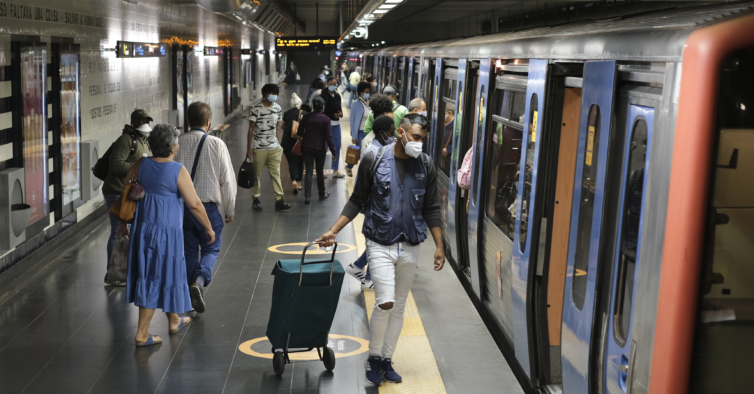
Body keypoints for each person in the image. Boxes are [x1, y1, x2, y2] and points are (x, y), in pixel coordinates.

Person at [317, 114, 445, 386]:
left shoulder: (426, 165)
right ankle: (373, 357)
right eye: (416, 137)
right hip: (379, 242)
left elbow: (432, 207)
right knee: (385, 301)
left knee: (398, 306)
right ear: (401, 132)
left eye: (423, 139)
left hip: (410, 244)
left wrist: (439, 246)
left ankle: (387, 359)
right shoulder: (373, 159)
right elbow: (357, 200)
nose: (419, 143)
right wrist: (333, 230)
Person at [121, 124, 215, 346]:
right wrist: (208, 227)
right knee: (154, 276)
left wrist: (122, 223)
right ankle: (142, 334)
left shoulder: (140, 164)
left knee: (163, 273)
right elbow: (194, 204)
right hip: (165, 234)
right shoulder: (177, 170)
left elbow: (126, 188)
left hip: (143, 229)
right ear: (172, 147)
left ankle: (174, 320)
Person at [175, 102, 236, 314]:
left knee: (189, 251)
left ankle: (189, 297)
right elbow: (227, 180)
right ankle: (198, 283)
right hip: (208, 208)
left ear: (188, 122)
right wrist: (229, 208)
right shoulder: (216, 144)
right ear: (208, 123)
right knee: (211, 248)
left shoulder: (177, 143)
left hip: (182, 208)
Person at [103, 109, 152, 287]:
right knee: (117, 231)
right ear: (135, 123)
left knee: (126, 230)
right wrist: (138, 166)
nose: (146, 124)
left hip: (129, 191)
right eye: (143, 121)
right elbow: (116, 164)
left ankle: (124, 269)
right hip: (116, 190)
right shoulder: (126, 140)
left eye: (147, 121)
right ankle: (114, 273)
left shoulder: (144, 141)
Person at [246, 84, 291, 211]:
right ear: (265, 94)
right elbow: (251, 129)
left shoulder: (277, 108)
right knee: (256, 175)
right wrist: (249, 149)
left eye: (275, 93)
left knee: (276, 174)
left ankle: (279, 200)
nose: (274, 96)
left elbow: (276, 127)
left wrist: (278, 143)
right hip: (259, 147)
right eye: (272, 93)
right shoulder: (256, 109)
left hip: (274, 147)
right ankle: (256, 199)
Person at [299, 96, 336, 204]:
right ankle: (321, 194)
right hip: (320, 148)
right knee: (320, 171)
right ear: (322, 107)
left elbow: (299, 133)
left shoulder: (306, 117)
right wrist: (334, 152)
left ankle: (307, 197)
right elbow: (329, 136)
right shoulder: (326, 119)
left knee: (309, 172)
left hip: (307, 147)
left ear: (313, 106)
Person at [361, 85, 409, 152]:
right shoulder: (403, 110)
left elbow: (367, 130)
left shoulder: (372, 112)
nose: (393, 136)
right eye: (391, 132)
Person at [321, 77, 346, 178]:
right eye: (330, 83)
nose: (332, 85)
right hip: (326, 126)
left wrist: (341, 114)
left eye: (334, 84)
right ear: (327, 84)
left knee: (337, 147)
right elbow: (323, 110)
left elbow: (339, 109)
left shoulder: (337, 95)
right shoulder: (323, 95)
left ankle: (335, 170)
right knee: (324, 148)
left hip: (336, 125)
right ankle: (320, 170)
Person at [281, 93, 306, 194]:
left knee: (292, 162)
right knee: (300, 161)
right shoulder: (303, 113)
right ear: (300, 104)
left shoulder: (287, 113)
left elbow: (282, 126)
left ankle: (294, 181)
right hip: (299, 141)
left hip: (287, 142)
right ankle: (299, 182)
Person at [346, 81, 372, 177]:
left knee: (366, 153)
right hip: (360, 132)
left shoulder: (370, 103)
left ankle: (361, 171)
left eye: (368, 92)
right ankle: (350, 167)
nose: (367, 94)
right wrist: (354, 136)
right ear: (360, 92)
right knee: (360, 152)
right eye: (365, 92)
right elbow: (352, 121)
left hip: (370, 132)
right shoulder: (355, 104)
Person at [442, 104, 455, 170]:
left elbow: (459, 143)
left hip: (449, 160)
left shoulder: (455, 126)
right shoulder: (442, 123)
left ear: (449, 113)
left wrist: (448, 149)